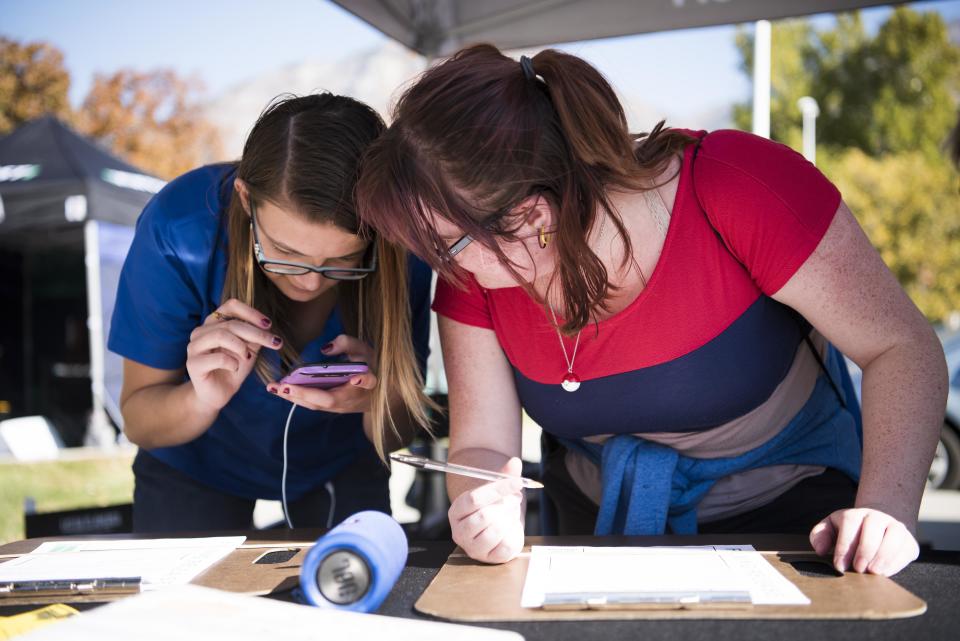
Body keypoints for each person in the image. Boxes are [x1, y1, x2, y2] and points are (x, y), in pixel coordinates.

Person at [356, 45, 948, 576]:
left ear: (531, 218)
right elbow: (482, 446)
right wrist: (481, 505)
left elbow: (900, 347)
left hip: (795, 527)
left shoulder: (738, 187)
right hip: (594, 527)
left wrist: (887, 512)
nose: (445, 267)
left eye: (446, 245)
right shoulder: (480, 272)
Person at [109, 93, 433, 532]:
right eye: (285, 252)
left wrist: (378, 403)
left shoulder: (405, 241)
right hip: (193, 464)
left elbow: (400, 431)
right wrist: (200, 398)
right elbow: (139, 422)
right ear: (245, 199)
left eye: (344, 259)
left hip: (339, 463)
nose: (311, 282)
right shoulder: (179, 228)